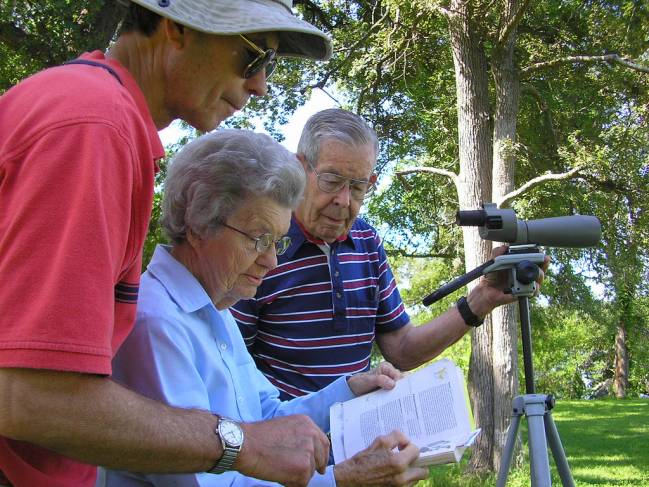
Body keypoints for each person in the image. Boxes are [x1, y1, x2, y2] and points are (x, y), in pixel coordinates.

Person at [0, 1, 337, 486]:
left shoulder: (91, 110)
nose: (260, 84)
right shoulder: (94, 126)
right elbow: (31, 397)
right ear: (177, 26)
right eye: (252, 56)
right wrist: (239, 444)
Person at [105, 129, 429, 487]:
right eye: (260, 240)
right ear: (199, 225)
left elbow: (265, 418)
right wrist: (345, 480)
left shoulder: (214, 308)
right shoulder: (158, 325)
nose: (272, 261)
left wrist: (349, 390)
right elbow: (209, 484)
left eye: (278, 241)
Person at [232, 108, 548, 399]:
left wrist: (483, 298)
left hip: (357, 440)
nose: (344, 200)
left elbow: (401, 349)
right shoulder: (261, 242)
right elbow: (230, 367)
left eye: (357, 187)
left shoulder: (367, 242)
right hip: (282, 444)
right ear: (300, 168)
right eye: (331, 181)